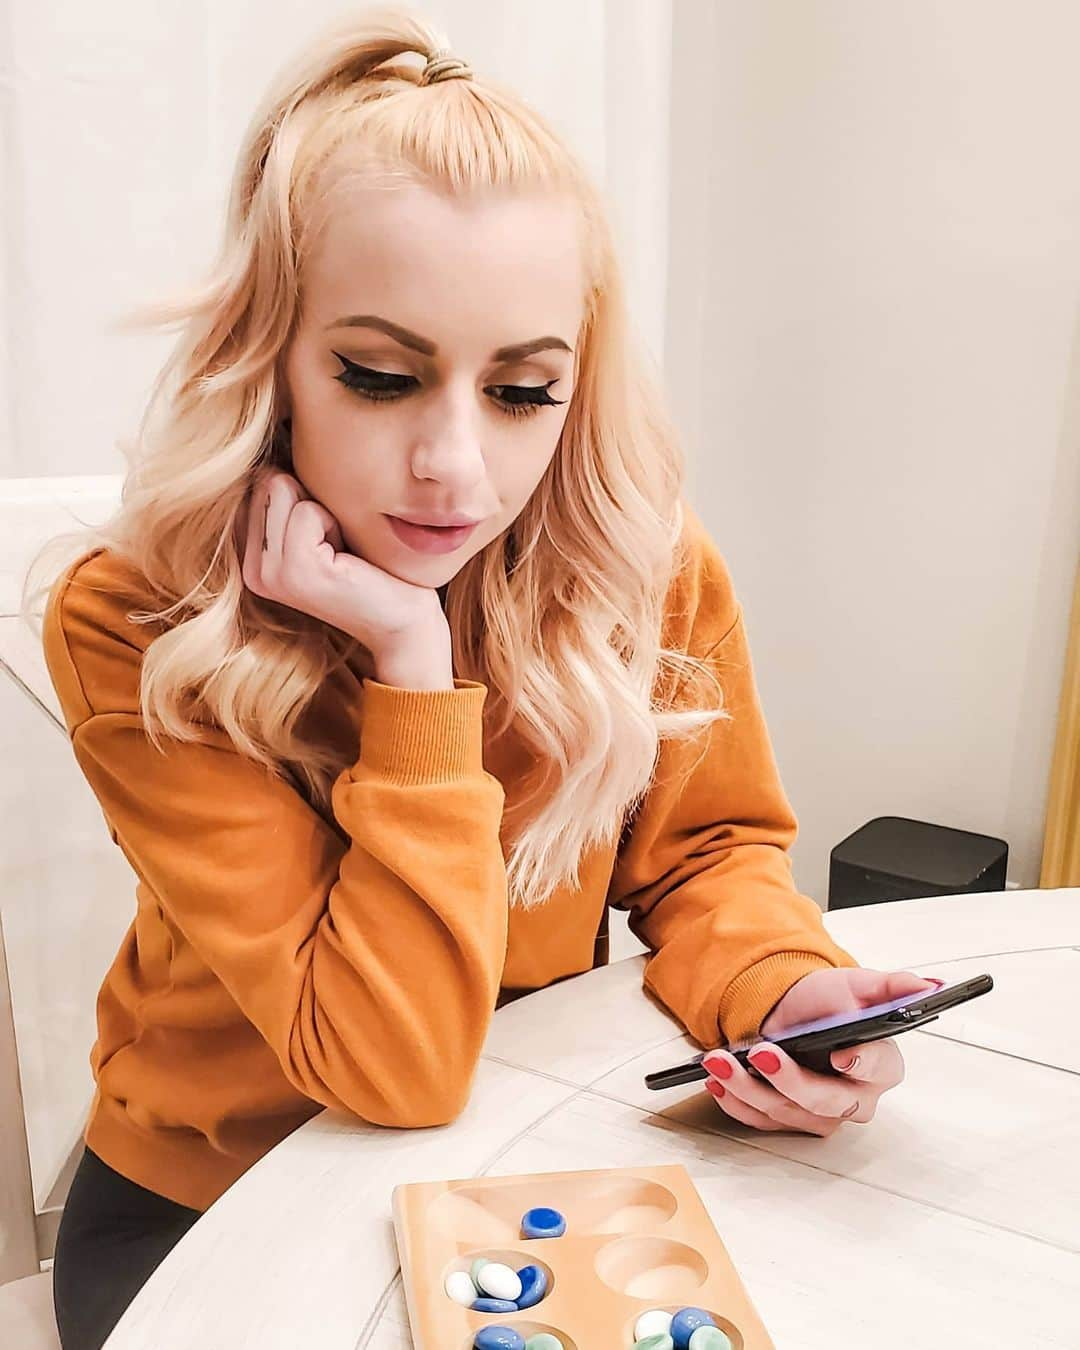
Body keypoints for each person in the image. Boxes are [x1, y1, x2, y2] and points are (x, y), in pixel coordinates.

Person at [22, 10, 934, 1349]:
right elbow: (387, 1063)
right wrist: (413, 663)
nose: (453, 465)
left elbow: (710, 853)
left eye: (522, 392)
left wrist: (781, 987)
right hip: (204, 1202)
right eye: (381, 376)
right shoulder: (139, 619)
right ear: (269, 357)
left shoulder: (642, 564)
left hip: (529, 1167)